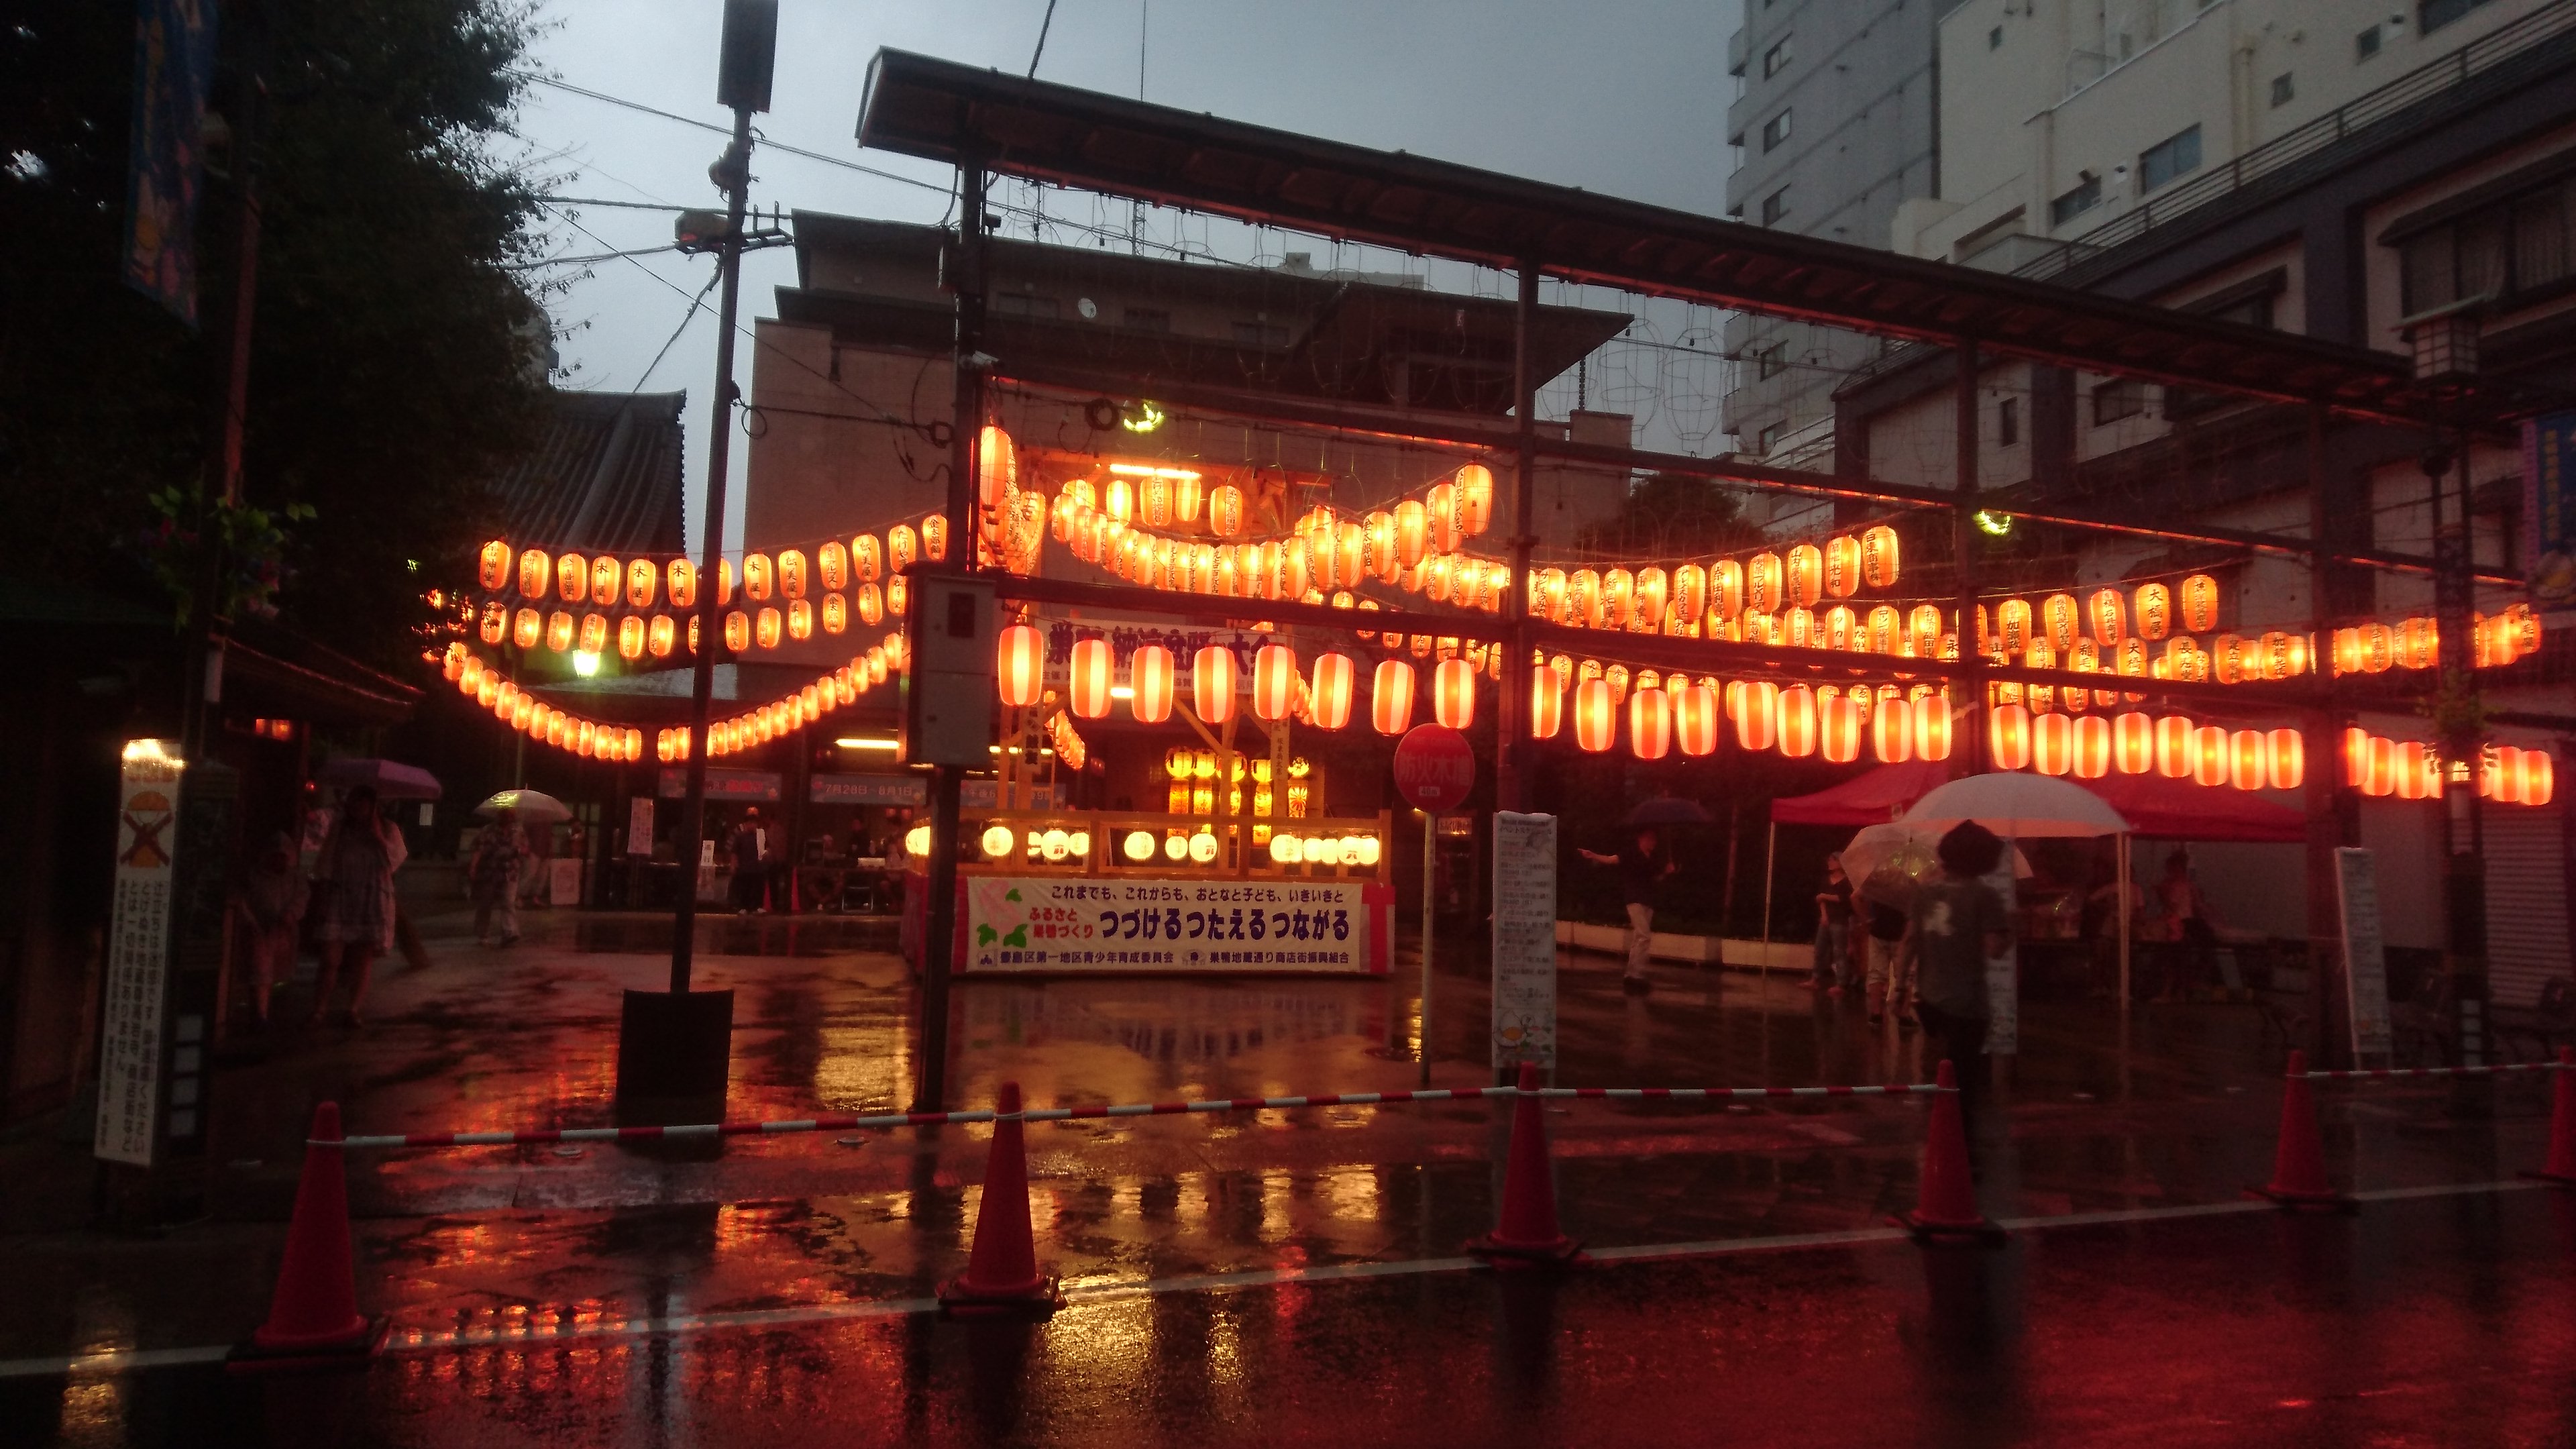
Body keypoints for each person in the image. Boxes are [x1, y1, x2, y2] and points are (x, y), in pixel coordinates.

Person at [1896, 822, 2011, 1111]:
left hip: (1930, 998)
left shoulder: (1925, 892)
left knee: (1934, 1071)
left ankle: (1934, 1132)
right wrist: (2012, 927)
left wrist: (1900, 986)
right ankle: (1961, 1143)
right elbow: (1995, 950)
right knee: (1965, 1082)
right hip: (1968, 1004)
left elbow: (1909, 941)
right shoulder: (1984, 896)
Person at [309, 786, 407, 1027]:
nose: (358, 810)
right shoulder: (341, 829)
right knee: (331, 959)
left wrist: (377, 836)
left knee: (362, 960)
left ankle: (352, 1009)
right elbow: (326, 862)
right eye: (355, 804)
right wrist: (323, 894)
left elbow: (393, 861)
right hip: (341, 896)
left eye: (363, 805)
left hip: (371, 898)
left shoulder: (387, 829)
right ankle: (319, 1009)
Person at [1579, 827, 1672, 994]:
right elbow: (1612, 859)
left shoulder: (1653, 859)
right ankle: (1634, 974)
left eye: (1654, 840)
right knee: (1644, 935)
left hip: (1648, 901)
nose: (1653, 842)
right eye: (1650, 839)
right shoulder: (1631, 853)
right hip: (1634, 899)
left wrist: (1667, 871)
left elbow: (1657, 878)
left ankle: (1634, 974)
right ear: (1641, 839)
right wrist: (1593, 856)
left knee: (1640, 938)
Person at [230, 833, 308, 1028]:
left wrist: (290, 914)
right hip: (258, 930)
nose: (278, 861)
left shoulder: (295, 878)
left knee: (272, 974)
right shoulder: (254, 876)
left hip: (283, 931)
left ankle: (261, 1010)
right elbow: (242, 900)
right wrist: (251, 921)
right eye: (275, 856)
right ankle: (261, 1014)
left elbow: (301, 898)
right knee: (260, 970)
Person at [2155, 850, 2220, 999]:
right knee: (2181, 956)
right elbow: (2195, 905)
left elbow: (2188, 905)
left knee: (2180, 956)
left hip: (2182, 922)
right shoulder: (2182, 884)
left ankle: (2184, 986)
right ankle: (2185, 986)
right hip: (2181, 922)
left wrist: (2162, 894)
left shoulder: (2181, 885)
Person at [468, 807, 529, 947]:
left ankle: (509, 931)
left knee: (508, 902)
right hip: (490, 870)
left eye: (511, 815)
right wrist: (473, 867)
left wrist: (519, 851)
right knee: (486, 903)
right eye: (505, 815)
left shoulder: (518, 831)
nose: (508, 818)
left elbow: (526, 849)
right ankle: (482, 933)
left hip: (510, 871)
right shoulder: (488, 830)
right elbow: (478, 849)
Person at [1862, 894, 1911, 1028]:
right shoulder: (1908, 883)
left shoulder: (1879, 882)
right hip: (1900, 934)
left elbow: (1855, 896)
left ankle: (1876, 1014)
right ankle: (1904, 1015)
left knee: (1876, 973)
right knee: (1905, 976)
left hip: (1878, 931)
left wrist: (1866, 919)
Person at [1811, 854, 1856, 995]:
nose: (1829, 863)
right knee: (1819, 950)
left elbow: (1844, 899)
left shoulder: (1847, 882)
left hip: (1840, 920)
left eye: (1833, 860)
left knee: (1839, 952)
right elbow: (1820, 899)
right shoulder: (1826, 880)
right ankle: (1815, 979)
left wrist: (1824, 896)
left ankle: (1842, 983)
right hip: (1827, 919)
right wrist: (1823, 915)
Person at [729, 808, 769, 914]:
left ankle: (757, 907)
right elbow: (734, 852)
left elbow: (768, 847)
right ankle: (743, 907)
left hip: (758, 867)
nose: (752, 825)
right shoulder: (740, 836)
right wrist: (733, 865)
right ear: (746, 824)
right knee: (744, 888)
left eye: (754, 823)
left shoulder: (761, 836)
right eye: (750, 823)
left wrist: (766, 854)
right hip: (744, 867)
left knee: (757, 888)